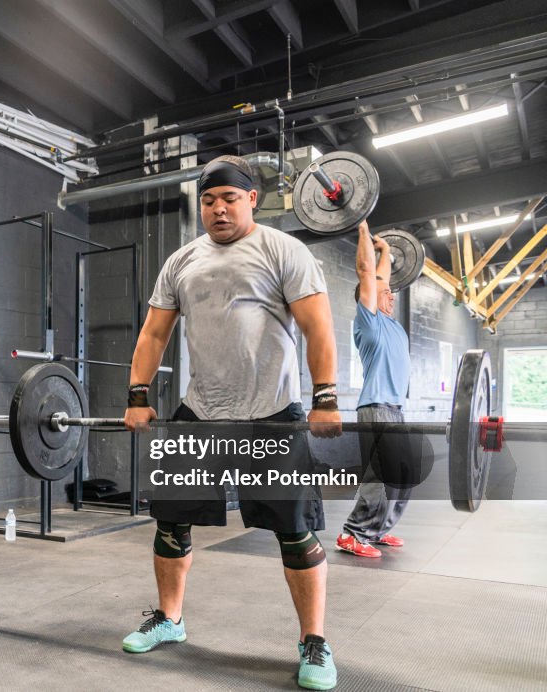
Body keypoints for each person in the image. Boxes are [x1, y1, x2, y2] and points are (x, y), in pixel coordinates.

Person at [121, 154, 342, 691]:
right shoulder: (181, 261)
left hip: (274, 412)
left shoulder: (283, 250)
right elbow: (153, 334)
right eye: (209, 200)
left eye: (230, 198)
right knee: (170, 522)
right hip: (201, 412)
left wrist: (326, 398)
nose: (218, 209)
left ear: (252, 200)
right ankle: (170, 620)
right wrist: (137, 394)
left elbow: (317, 327)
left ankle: (314, 641)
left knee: (294, 531)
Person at [336, 223, 412, 558]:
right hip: (376, 406)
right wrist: (364, 228)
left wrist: (386, 252)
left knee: (405, 475)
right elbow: (367, 273)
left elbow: (380, 278)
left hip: (394, 407)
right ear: (367, 297)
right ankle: (353, 534)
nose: (391, 294)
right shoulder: (369, 321)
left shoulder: (391, 322)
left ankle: (377, 530)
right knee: (380, 477)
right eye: (385, 293)